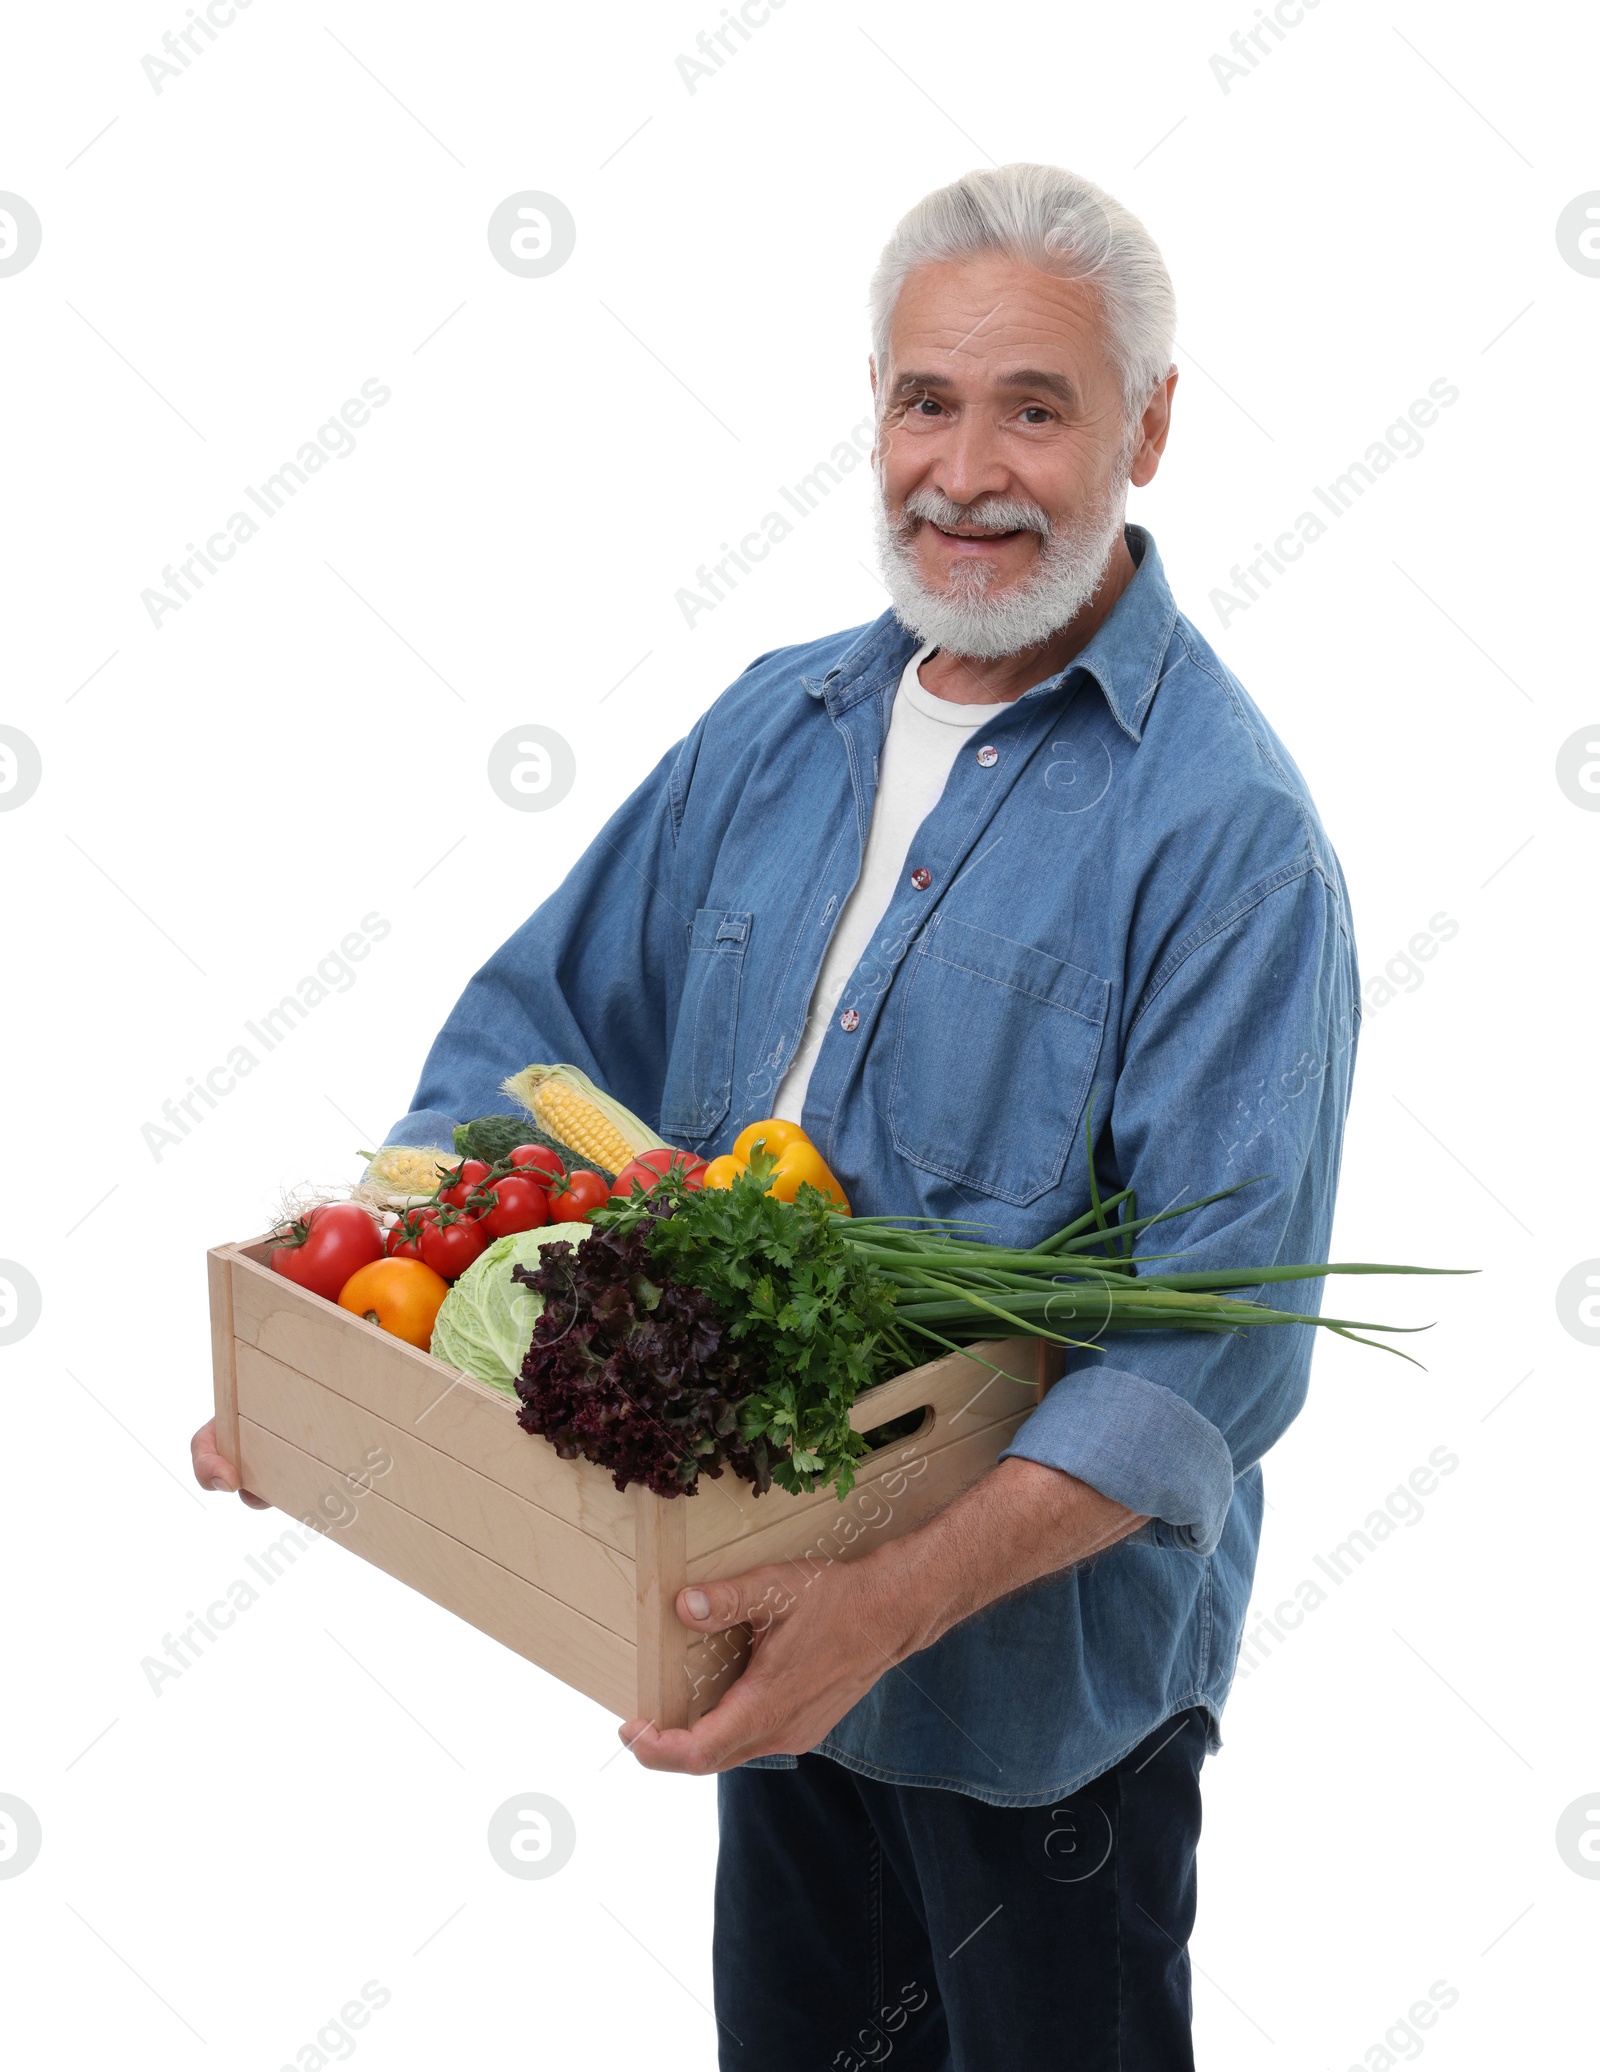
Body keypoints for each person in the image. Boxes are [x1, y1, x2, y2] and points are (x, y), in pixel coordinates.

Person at [194, 163, 1358, 2068]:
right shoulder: (776, 728)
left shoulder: (1224, 842)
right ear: (874, 408)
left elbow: (1215, 1344)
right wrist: (347, 1378)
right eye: (925, 399)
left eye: (1036, 407)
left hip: (1031, 1698)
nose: (964, 470)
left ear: (1148, 427)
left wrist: (887, 1603)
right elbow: (539, 1033)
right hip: (758, 1621)